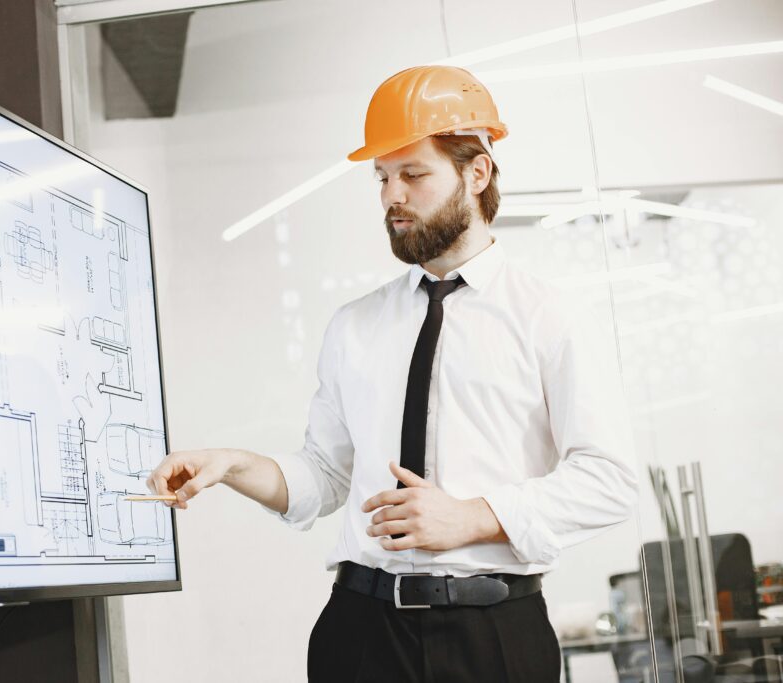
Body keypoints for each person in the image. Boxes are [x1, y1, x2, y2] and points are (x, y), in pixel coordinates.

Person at [147, 65, 639, 683]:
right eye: (382, 177)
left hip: (494, 636)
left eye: (413, 174)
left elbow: (609, 480)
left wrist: (475, 515)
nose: (391, 197)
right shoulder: (356, 325)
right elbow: (326, 478)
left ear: (476, 171)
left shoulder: (550, 317)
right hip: (359, 631)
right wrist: (233, 465)